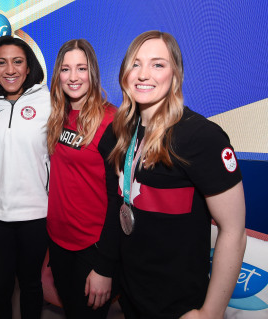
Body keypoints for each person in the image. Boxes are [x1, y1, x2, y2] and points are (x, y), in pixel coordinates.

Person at [98, 30, 247, 319]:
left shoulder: (201, 137)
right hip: (132, 295)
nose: (143, 74)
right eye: (135, 64)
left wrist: (210, 313)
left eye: (157, 64)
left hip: (180, 306)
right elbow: (117, 207)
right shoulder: (118, 133)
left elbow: (234, 231)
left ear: (175, 74)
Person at [0, 35, 51, 319]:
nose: (10, 69)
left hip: (35, 214)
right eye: (2, 62)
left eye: (18, 62)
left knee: (32, 286)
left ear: (29, 67)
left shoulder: (49, 101)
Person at [46, 39, 118, 319]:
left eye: (81, 68)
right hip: (59, 241)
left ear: (93, 73)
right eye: (65, 69)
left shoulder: (111, 121)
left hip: (94, 247)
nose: (73, 77)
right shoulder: (57, 115)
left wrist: (105, 265)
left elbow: (118, 200)